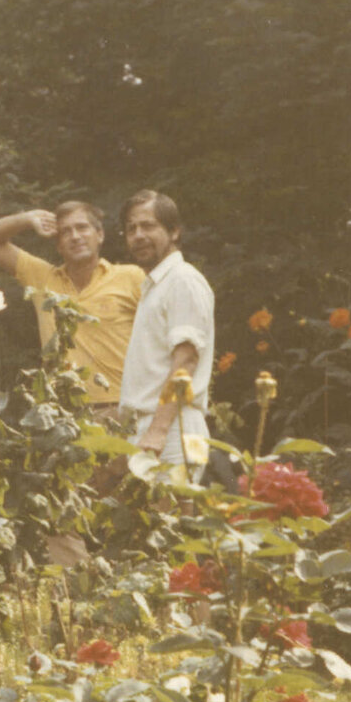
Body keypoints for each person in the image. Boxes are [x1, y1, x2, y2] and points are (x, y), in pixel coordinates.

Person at [0, 201, 147, 413]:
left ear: (100, 235)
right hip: (64, 416)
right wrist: (27, 218)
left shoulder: (132, 276)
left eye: (82, 227)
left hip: (125, 409)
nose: (75, 236)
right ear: (58, 245)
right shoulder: (42, 279)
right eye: (65, 232)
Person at [116, 189, 214, 482]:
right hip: (153, 429)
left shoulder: (182, 280)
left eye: (148, 226)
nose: (138, 235)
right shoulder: (156, 285)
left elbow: (185, 361)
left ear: (174, 231)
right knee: (152, 527)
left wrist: (158, 431)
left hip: (172, 429)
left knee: (171, 524)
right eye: (131, 228)